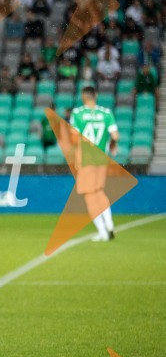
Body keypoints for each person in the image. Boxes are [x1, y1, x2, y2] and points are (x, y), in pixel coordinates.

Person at [69, 86, 119, 242]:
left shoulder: (78, 114)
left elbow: (74, 139)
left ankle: (103, 232)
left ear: (83, 97)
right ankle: (109, 224)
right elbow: (115, 136)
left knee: (89, 196)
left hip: (86, 159)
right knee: (99, 191)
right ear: (95, 95)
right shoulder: (106, 113)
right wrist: (112, 145)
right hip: (101, 159)